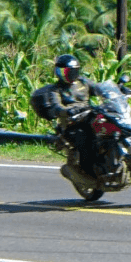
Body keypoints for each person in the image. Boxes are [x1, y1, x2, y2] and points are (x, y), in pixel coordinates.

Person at [29, 54, 103, 183]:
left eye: (68, 71)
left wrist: (118, 90)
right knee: (84, 140)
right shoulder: (56, 90)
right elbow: (56, 106)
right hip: (71, 125)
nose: (65, 74)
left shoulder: (83, 82)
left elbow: (99, 89)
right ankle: (88, 172)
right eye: (62, 71)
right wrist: (66, 110)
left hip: (89, 117)